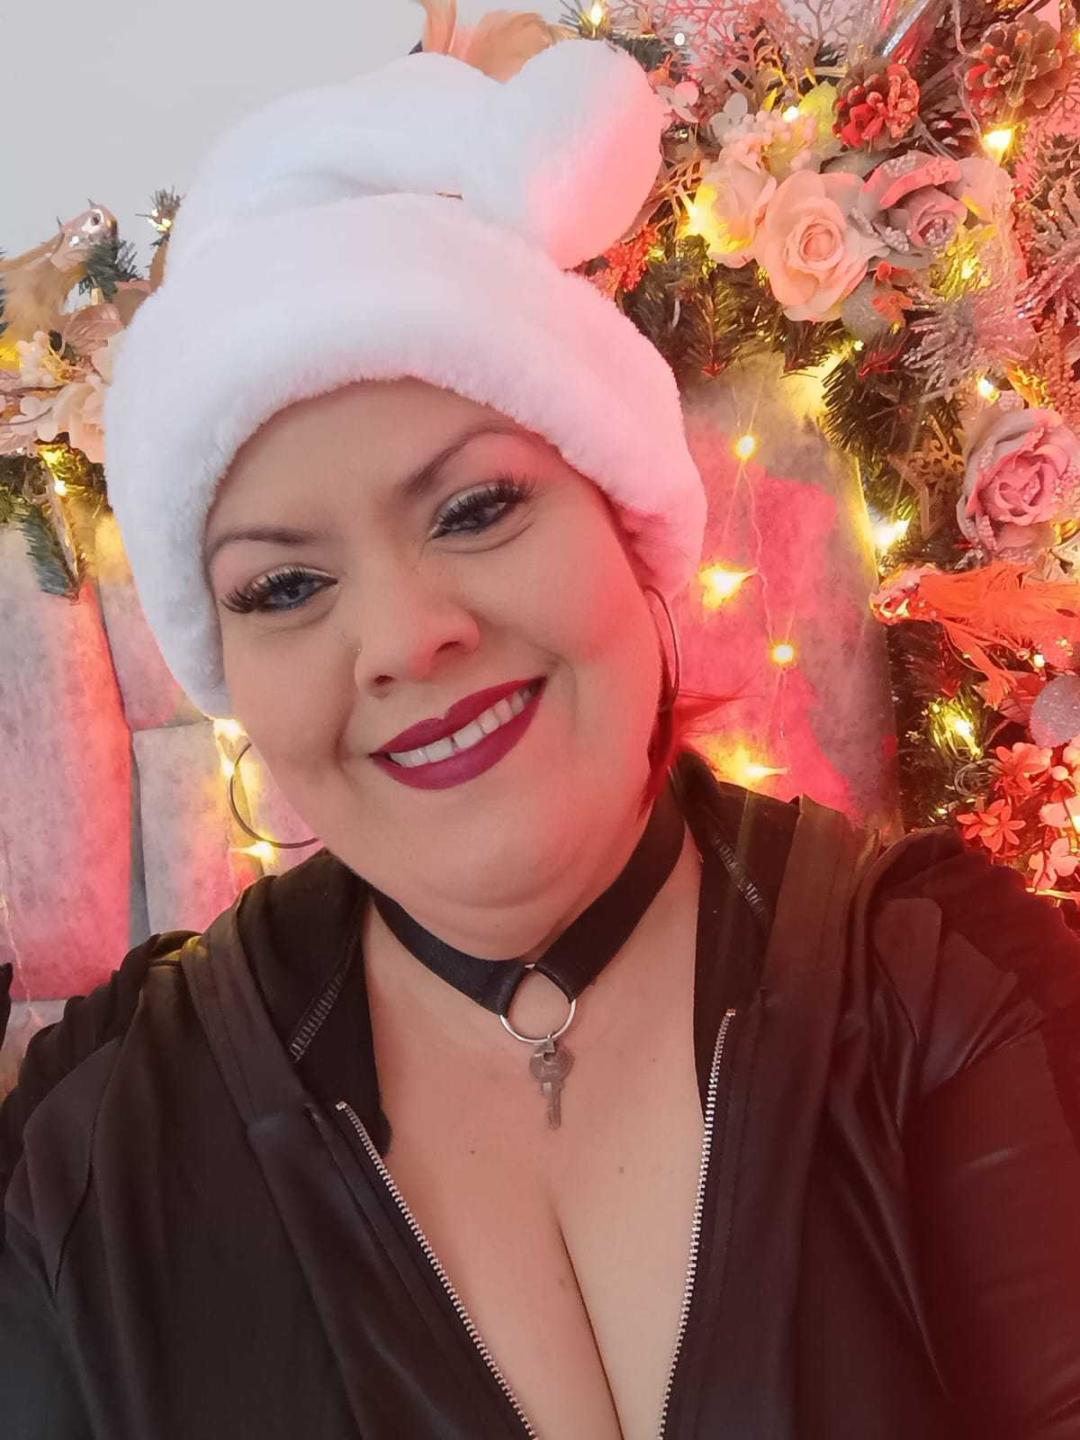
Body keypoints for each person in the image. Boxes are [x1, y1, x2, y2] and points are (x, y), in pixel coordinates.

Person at [2, 33, 1080, 1440]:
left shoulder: (941, 993)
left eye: (476, 509)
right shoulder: (101, 1148)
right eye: (284, 587)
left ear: (625, 520)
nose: (404, 639)